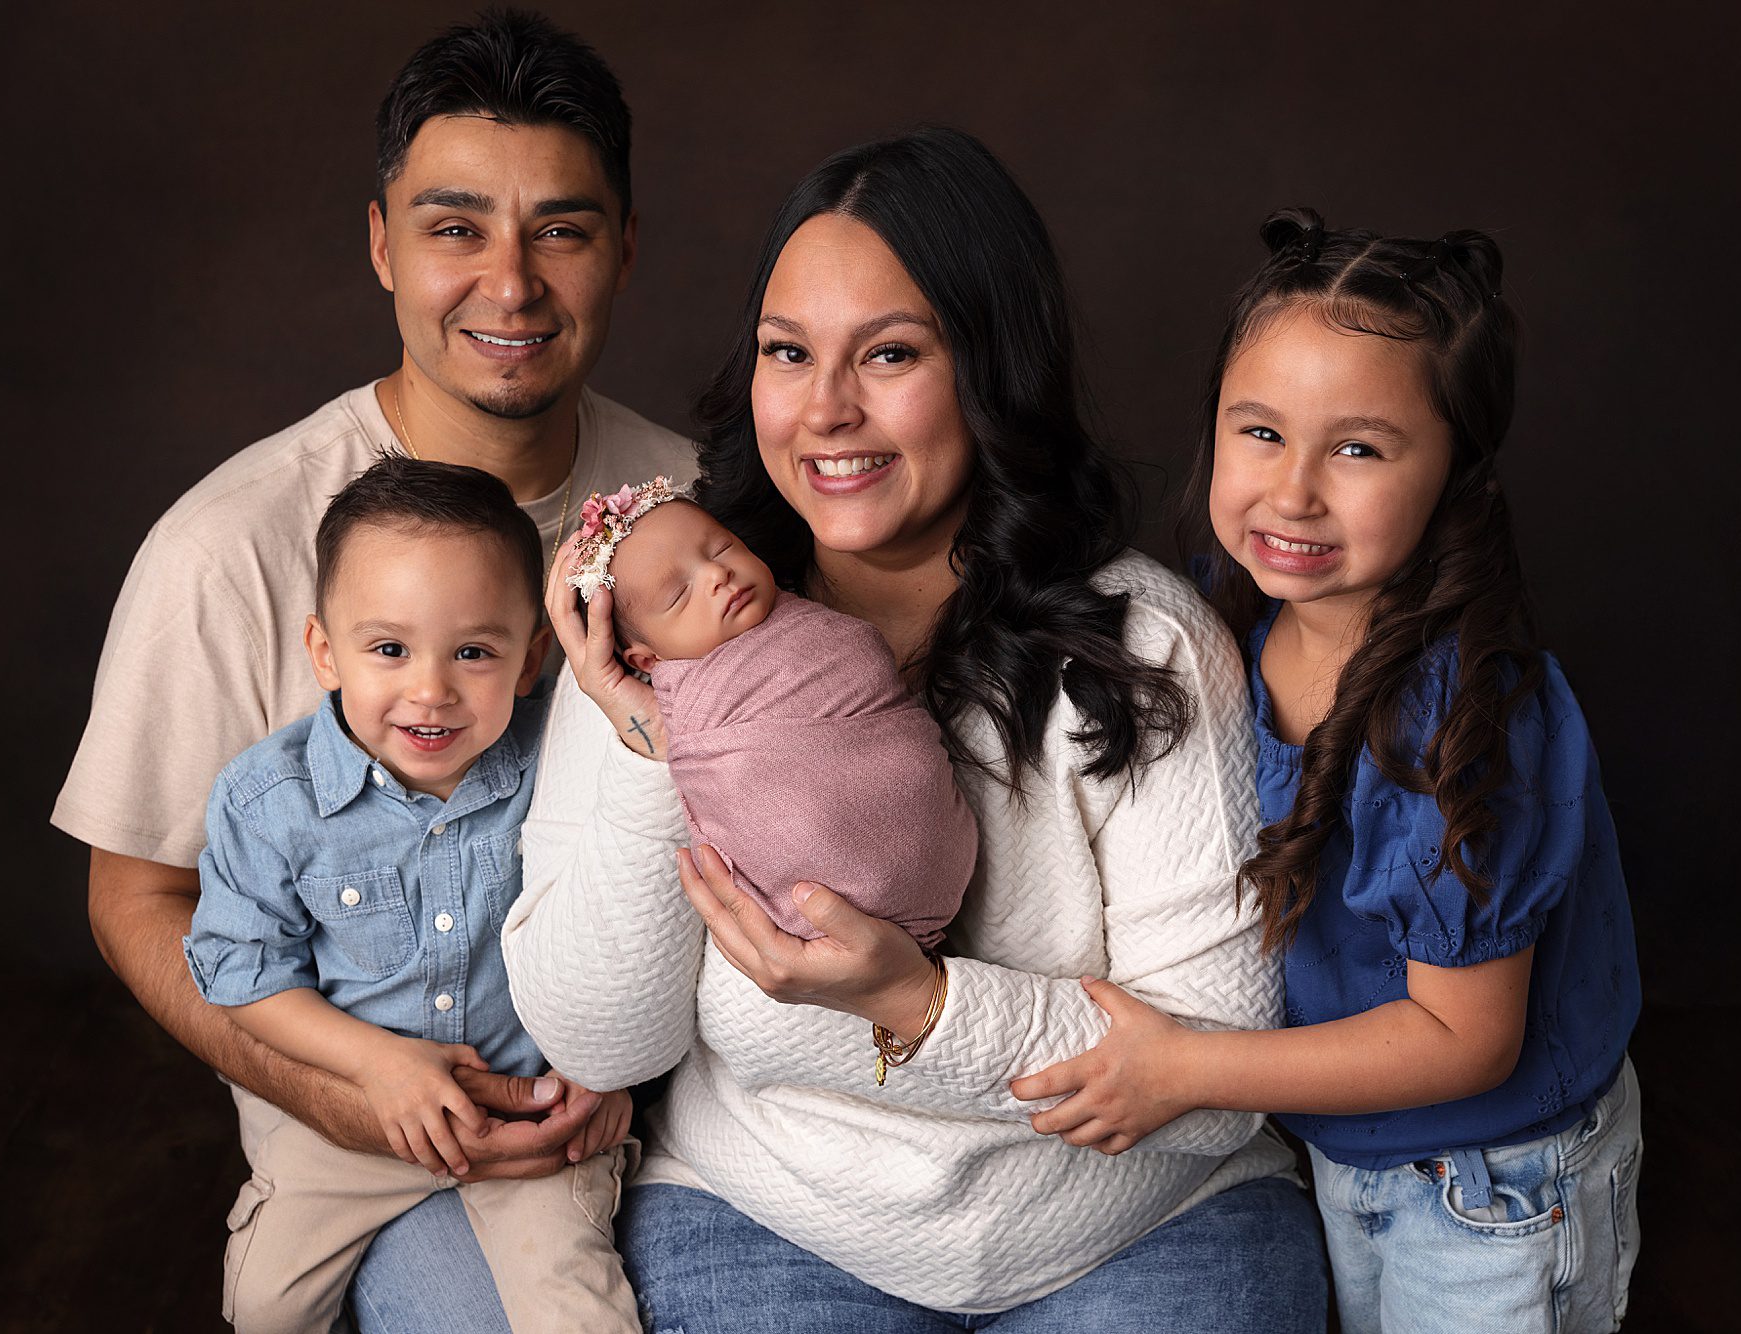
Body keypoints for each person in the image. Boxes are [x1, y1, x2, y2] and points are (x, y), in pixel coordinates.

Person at [504, 127, 1328, 1331]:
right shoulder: (668, 610)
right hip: (776, 1214)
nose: (827, 410)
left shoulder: (1141, 643)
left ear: (989, 366)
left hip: (1136, 1221)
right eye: (788, 353)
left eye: (889, 352)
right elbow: (598, 1037)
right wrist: (645, 739)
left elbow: (1210, 1074)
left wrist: (922, 1006)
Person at [51, 11, 689, 1326]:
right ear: (382, 242)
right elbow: (141, 895)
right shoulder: (232, 545)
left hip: (677, 1104)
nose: (509, 285)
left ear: (624, 250)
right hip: (364, 1137)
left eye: (559, 231)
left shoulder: (699, 517)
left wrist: (639, 1063)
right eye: (456, 227)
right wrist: (355, 1091)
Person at [1009, 209, 1644, 1333]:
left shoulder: (1467, 718)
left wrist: (1185, 1069)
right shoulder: (1237, 616)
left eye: (1356, 448)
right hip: (1338, 1147)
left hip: (1493, 1178)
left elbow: (1463, 1037)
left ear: (1453, 470)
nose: (1292, 490)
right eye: (1258, 432)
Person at [184, 457, 638, 1333]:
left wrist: (607, 1070)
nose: (430, 690)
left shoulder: (572, 763)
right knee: (265, 1304)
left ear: (534, 656)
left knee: (580, 1315)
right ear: (325, 650)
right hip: (351, 1122)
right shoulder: (267, 800)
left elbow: (628, 915)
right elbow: (242, 972)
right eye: (389, 649)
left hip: (532, 1120)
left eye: (474, 652)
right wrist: (374, 1065)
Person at [560, 474, 975, 947]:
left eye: (721, 549)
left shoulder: (805, 617)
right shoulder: (687, 701)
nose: (718, 575)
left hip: (925, 829)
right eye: (679, 594)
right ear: (649, 661)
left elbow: (863, 664)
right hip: (813, 892)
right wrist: (640, 723)